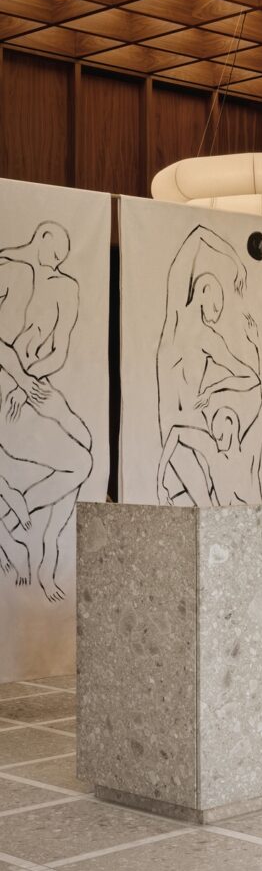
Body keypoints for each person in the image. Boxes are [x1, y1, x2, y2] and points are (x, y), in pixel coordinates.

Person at [0, 222, 92, 601]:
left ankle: (32, 543)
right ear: (40, 241)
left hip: (30, 386)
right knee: (80, 461)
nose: (56, 265)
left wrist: (31, 377)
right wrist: (21, 380)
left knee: (84, 445)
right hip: (9, 389)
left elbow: (60, 350)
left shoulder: (63, 288)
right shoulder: (9, 271)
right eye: (52, 255)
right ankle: (14, 520)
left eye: (61, 261)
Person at [156, 226, 261, 504]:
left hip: (195, 425)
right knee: (206, 508)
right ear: (204, 291)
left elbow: (251, 378)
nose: (217, 315)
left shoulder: (210, 339)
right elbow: (197, 234)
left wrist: (216, 386)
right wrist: (236, 262)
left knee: (213, 509)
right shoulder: (175, 317)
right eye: (217, 306)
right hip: (175, 424)